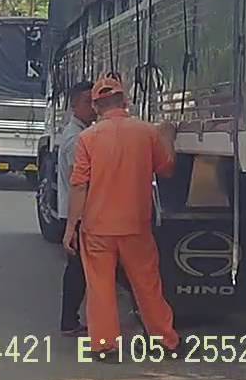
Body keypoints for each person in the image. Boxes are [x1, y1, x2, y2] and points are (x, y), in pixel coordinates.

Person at [64, 74, 179, 357]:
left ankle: (105, 346)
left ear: (96, 106)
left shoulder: (87, 138)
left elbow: (79, 185)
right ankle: (165, 341)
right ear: (125, 101)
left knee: (100, 287)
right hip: (136, 226)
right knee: (147, 285)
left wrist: (70, 228)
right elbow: (166, 169)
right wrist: (168, 137)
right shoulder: (147, 133)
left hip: (97, 228)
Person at [57, 81, 97, 336]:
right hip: (77, 212)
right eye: (86, 102)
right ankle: (69, 321)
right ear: (74, 106)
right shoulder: (76, 139)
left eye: (94, 101)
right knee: (77, 271)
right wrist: (74, 223)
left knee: (78, 270)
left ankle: (69, 320)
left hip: (76, 212)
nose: (92, 107)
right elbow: (78, 180)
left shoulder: (82, 133)